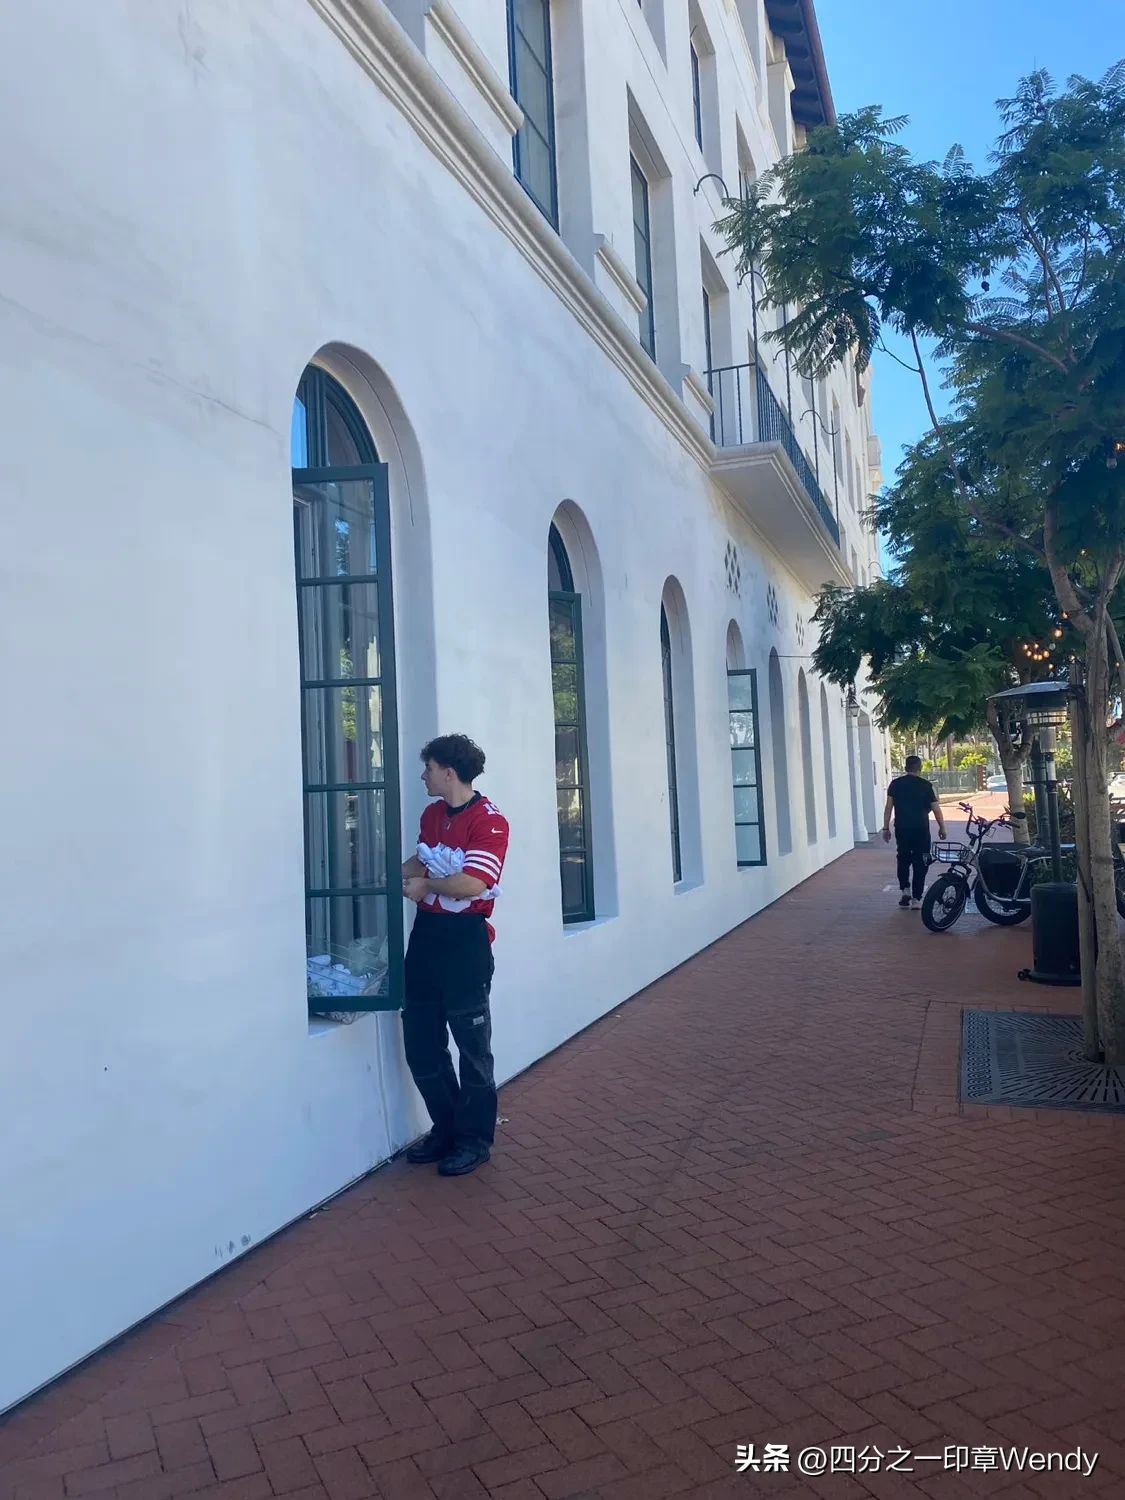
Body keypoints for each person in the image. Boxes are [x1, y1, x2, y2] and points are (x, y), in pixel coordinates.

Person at [400, 734, 509, 1176]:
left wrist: (425, 884)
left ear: (448, 772)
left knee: (472, 1048)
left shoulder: (490, 821)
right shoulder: (431, 815)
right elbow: (423, 860)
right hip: (426, 938)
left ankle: (474, 1141)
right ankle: (445, 1129)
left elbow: (474, 883)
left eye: (428, 768)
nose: (422, 776)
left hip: (465, 944)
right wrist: (390, 875)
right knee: (422, 1043)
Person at [882, 756, 947, 909]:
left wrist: (886, 828)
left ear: (906, 768)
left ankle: (905, 889)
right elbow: (936, 809)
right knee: (921, 862)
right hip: (921, 829)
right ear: (920, 768)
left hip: (902, 828)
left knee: (903, 859)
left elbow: (888, 807)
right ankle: (917, 898)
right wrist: (942, 827)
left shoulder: (895, 784)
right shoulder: (926, 785)